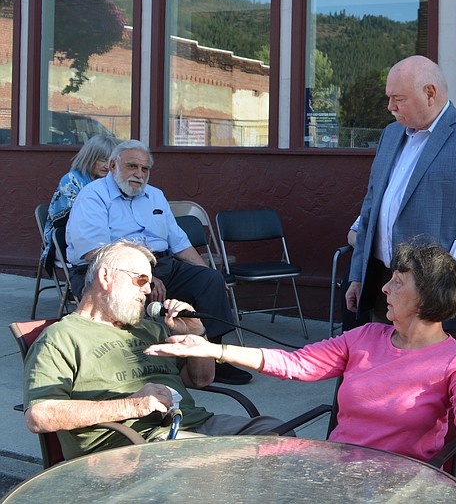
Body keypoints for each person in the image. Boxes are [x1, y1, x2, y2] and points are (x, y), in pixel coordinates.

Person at [148, 242, 456, 462]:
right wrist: (213, 348)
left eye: (397, 283)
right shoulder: (366, 335)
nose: (384, 289)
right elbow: (296, 363)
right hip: (337, 467)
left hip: (399, 480)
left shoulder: (455, 359)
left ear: (427, 298)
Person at [23, 241, 285, 460]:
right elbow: (39, 416)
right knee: (223, 462)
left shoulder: (151, 329)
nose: (149, 290)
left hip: (192, 426)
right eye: (140, 280)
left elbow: (201, 379)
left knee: (278, 436)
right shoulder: (62, 337)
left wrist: (195, 334)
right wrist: (130, 406)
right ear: (106, 277)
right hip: (129, 445)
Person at [345, 56, 456, 334]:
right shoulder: (390, 135)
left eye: (398, 98)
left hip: (438, 291)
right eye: (389, 98)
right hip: (384, 283)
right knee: (383, 372)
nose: (390, 107)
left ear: (430, 93)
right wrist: (358, 275)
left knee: (433, 377)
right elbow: (371, 208)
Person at [65, 140, 249, 384]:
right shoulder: (93, 196)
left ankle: (210, 356)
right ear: (112, 165)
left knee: (210, 280)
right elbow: (94, 252)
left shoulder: (155, 196)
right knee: (130, 288)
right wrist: (143, 276)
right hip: (107, 270)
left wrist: (206, 271)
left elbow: (180, 243)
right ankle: (137, 365)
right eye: (132, 166)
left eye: (145, 169)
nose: (139, 174)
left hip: (161, 265)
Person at [41, 134, 119, 265]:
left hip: (103, 238)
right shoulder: (72, 180)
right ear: (89, 158)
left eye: (111, 162)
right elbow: (73, 222)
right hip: (67, 242)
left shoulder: (112, 182)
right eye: (102, 160)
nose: (107, 166)